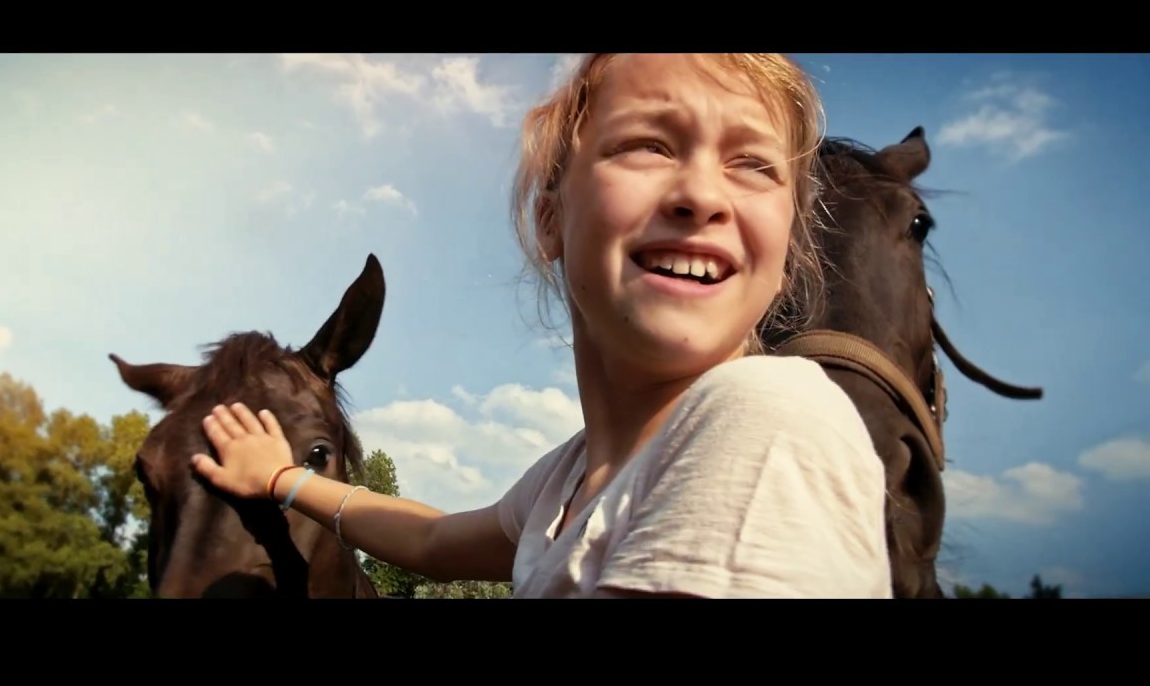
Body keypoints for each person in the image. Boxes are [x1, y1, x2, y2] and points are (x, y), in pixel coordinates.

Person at [190, 53, 892, 598]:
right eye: (650, 144)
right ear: (549, 217)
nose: (703, 195)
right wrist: (281, 477)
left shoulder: (767, 419)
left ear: (787, 242)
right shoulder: (564, 480)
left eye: (753, 164)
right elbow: (431, 541)